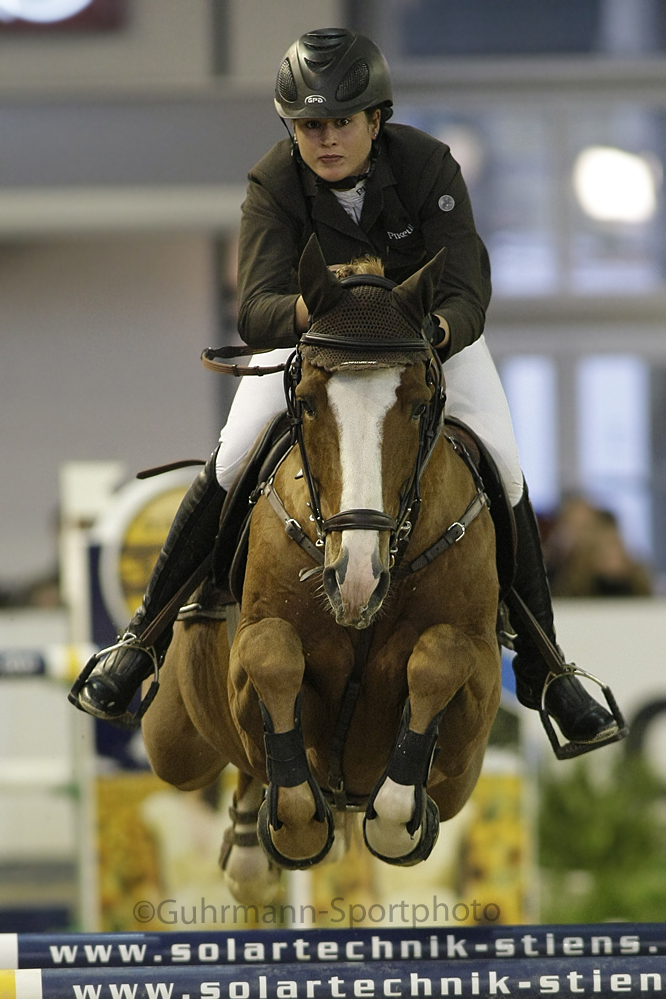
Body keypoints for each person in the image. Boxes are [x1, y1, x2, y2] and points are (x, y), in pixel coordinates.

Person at [71, 27, 619, 751]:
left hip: (429, 350)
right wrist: (322, 309)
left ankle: (550, 669)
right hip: (321, 356)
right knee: (233, 455)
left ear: (375, 119)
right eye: (308, 125)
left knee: (505, 461)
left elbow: (465, 285)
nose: (325, 139)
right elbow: (256, 307)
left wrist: (428, 337)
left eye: (340, 122)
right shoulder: (273, 181)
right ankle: (139, 641)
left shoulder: (429, 166)